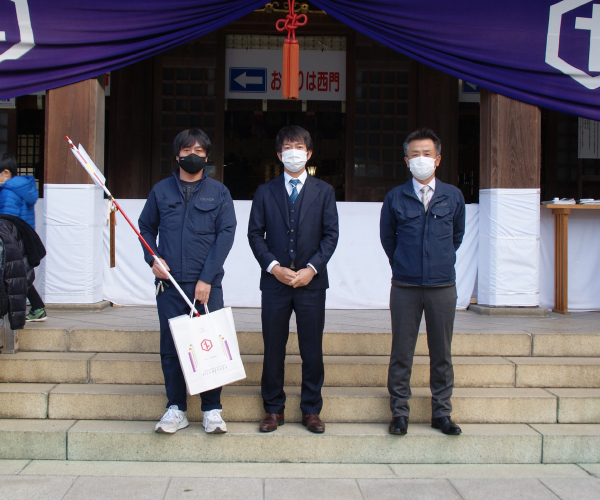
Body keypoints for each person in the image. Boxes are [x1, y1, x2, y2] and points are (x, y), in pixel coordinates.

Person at [138, 129, 236, 435]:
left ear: (207, 157)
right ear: (177, 155)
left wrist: (206, 278)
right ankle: (176, 408)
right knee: (171, 347)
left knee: (209, 346)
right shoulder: (161, 191)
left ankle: (212, 410)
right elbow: (145, 227)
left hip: (206, 286)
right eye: (185, 150)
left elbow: (226, 234)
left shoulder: (218, 192)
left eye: (198, 150)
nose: (191, 155)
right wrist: (152, 259)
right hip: (170, 285)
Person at [248, 125, 339, 434]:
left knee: (311, 348)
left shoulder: (324, 191)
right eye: (287, 147)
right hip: (275, 283)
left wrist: (311, 268)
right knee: (274, 347)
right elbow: (254, 235)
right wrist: (274, 267)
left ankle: (311, 409)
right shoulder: (264, 191)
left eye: (299, 147)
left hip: (311, 283)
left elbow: (331, 236)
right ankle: (273, 408)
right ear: (279, 154)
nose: (293, 152)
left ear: (309, 153)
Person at [380, 128, 465, 436]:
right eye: (415, 154)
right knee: (401, 352)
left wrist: (437, 261)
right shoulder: (395, 197)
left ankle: (441, 413)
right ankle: (399, 412)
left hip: (443, 286)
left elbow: (456, 237)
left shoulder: (453, 196)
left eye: (426, 154)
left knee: (441, 352)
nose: (421, 159)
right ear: (406, 160)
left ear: (438, 159)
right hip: (405, 287)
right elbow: (388, 239)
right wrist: (405, 264)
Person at [0, 153, 46, 322]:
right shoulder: (23, 188)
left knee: (16, 276)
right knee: (21, 274)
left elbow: (6, 219)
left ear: (5, 172)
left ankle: (37, 307)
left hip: (11, 239)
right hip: (23, 237)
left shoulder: (8, 191)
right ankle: (37, 307)